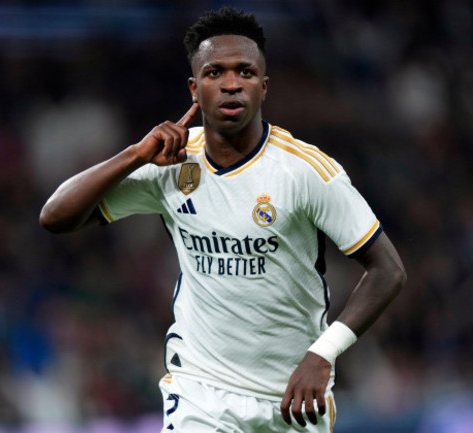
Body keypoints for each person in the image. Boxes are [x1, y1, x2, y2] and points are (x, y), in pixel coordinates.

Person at [40, 7, 406, 432]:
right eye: (215, 73)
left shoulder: (306, 171)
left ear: (264, 87)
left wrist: (323, 353)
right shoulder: (169, 164)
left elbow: (388, 269)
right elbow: (55, 217)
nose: (231, 84)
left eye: (245, 72)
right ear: (195, 89)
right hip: (200, 390)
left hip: (291, 393)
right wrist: (135, 154)